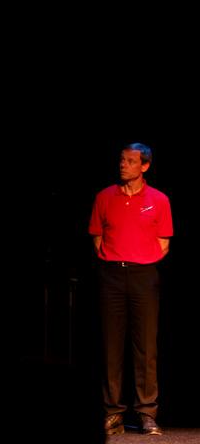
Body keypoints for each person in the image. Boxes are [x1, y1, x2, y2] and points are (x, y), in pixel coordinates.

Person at [89, 142, 173, 436]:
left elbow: (164, 244)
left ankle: (146, 412)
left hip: (143, 276)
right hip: (112, 275)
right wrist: (117, 260)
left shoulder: (159, 200)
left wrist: (140, 259)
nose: (123, 165)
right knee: (112, 347)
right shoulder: (104, 197)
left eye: (130, 161)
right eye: (121, 160)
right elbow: (98, 238)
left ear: (145, 166)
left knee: (145, 347)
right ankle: (113, 412)